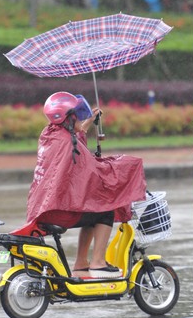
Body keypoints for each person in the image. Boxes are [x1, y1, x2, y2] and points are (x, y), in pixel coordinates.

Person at [26, 92, 146, 278]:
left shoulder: (50, 134)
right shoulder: (68, 142)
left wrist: (88, 122)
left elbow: (75, 141)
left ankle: (81, 264)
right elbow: (93, 170)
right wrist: (126, 166)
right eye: (77, 116)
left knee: (92, 209)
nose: (80, 119)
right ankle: (98, 263)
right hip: (58, 210)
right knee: (104, 210)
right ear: (70, 117)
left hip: (43, 208)